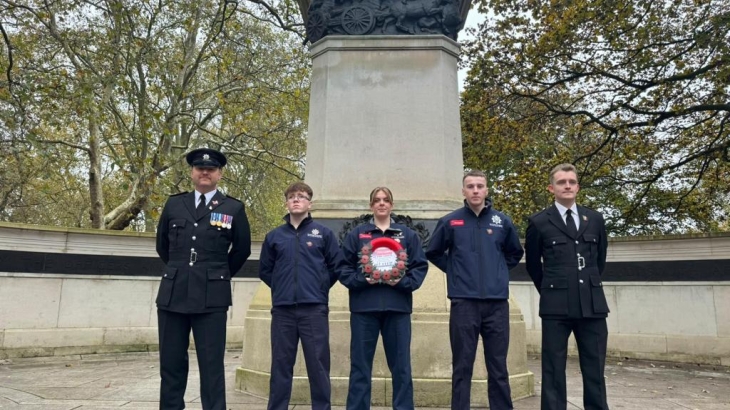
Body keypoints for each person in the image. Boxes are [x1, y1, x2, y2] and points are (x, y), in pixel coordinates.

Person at [155, 148, 251, 410]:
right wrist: (181, 269)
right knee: (171, 362)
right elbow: (162, 245)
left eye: (210, 169)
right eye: (200, 168)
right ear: (192, 173)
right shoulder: (174, 204)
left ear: (219, 174)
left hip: (212, 297)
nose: (205, 172)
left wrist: (217, 275)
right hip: (173, 294)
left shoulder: (233, 207)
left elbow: (242, 250)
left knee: (211, 364)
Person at [425, 170, 524, 410]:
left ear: (487, 190)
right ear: (463, 191)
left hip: (497, 305)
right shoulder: (451, 221)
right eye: (470, 186)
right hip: (464, 304)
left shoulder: (502, 221)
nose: (476, 190)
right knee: (462, 366)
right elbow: (433, 251)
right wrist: (455, 271)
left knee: (498, 367)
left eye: (480, 186)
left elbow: (514, 253)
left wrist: (498, 272)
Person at [524, 163, 610, 410]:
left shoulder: (594, 219)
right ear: (552, 188)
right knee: (553, 369)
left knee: (595, 369)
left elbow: (599, 260)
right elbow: (533, 265)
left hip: (592, 306)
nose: (568, 186)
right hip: (556, 307)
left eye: (572, 181)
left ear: (578, 187)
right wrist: (553, 290)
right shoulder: (539, 222)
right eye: (562, 182)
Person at [339, 187, 429, 410]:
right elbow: (342, 267)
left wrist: (402, 282)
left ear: (392, 204)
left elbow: (419, 266)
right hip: (363, 309)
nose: (381, 203)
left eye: (385, 200)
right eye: (377, 200)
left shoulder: (407, 235)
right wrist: (362, 280)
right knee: (360, 367)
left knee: (401, 367)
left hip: (397, 308)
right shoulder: (357, 234)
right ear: (371, 206)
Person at [259, 181, 342, 410]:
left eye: (302, 196)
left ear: (309, 203)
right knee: (280, 366)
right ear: (286, 203)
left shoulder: (323, 234)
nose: (296, 199)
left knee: (318, 365)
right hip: (283, 310)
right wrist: (281, 288)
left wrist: (319, 287)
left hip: (313, 310)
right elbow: (265, 270)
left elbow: (336, 266)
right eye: (292, 196)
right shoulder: (274, 236)